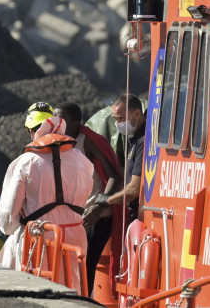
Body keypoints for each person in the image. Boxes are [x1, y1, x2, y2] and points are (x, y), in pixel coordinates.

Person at [0, 108, 93, 291]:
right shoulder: (83, 161)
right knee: (72, 288)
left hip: (38, 237)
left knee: (30, 287)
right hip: (75, 236)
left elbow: (8, 218)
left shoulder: (26, 161)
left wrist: (9, 229)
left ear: (33, 132)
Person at [54, 101, 123, 287]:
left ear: (76, 123)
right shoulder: (54, 141)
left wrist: (99, 206)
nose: (57, 123)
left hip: (93, 218)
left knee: (84, 267)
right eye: (54, 118)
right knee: (64, 267)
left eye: (62, 119)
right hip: (69, 218)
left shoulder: (88, 141)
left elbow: (114, 177)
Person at [98, 94, 145, 225]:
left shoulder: (143, 140)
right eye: (115, 119)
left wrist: (107, 200)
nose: (117, 124)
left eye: (121, 118)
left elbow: (134, 189)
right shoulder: (134, 138)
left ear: (136, 113)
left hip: (140, 214)